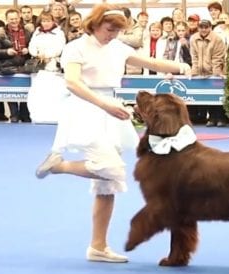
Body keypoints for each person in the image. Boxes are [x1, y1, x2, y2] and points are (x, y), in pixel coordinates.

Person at [35, 3, 191, 263]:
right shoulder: (75, 48)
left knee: (107, 185)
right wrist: (104, 105)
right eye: (109, 30)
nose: (113, 35)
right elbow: (72, 82)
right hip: (86, 109)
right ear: (94, 24)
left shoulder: (117, 47)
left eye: (118, 31)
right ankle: (58, 165)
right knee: (111, 168)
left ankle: (97, 246)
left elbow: (150, 61)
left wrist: (181, 67)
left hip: (111, 111)